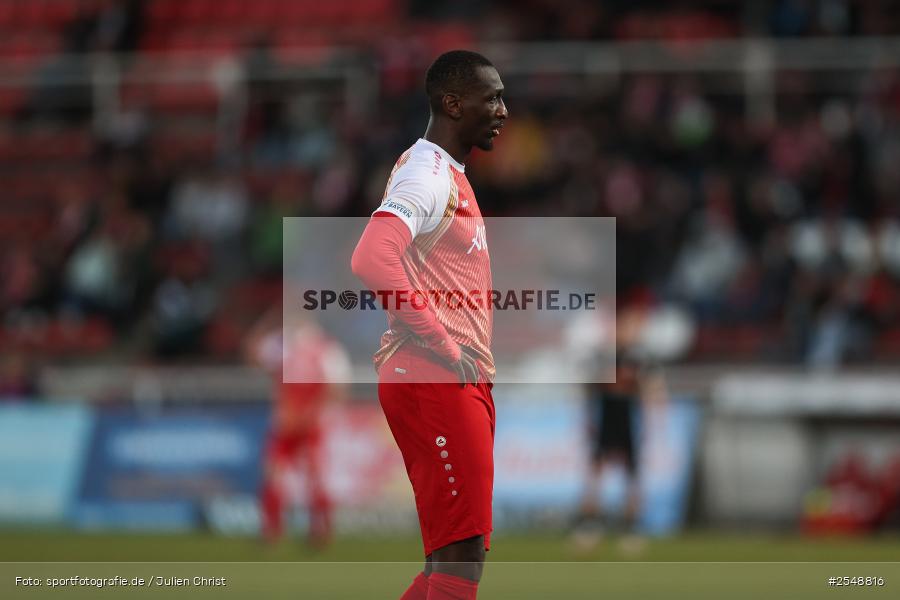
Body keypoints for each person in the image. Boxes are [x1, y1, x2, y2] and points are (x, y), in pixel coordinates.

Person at [351, 50, 507, 600]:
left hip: (442, 376)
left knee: (451, 559)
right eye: (492, 97)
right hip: (433, 373)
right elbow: (372, 257)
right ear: (452, 102)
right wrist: (441, 340)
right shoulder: (428, 171)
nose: (503, 110)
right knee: (460, 562)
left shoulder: (445, 173)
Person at [245, 306, 349, 548]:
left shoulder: (310, 347)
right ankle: (288, 530)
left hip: (301, 423)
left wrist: (311, 414)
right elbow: (338, 388)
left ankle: (309, 530)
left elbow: (335, 389)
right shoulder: (301, 346)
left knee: (297, 476)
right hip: (292, 423)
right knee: (293, 476)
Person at [571, 301, 668, 554]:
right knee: (595, 472)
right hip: (606, 418)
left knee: (632, 475)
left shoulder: (640, 358)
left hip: (627, 419)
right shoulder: (603, 356)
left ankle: (631, 527)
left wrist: (653, 416)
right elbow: (588, 389)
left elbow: (651, 388)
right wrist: (586, 418)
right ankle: (589, 525)